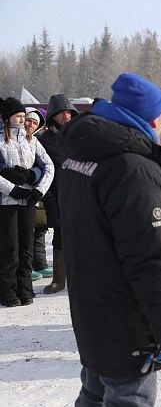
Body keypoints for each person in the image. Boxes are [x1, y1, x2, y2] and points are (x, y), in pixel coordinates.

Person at [57, 73, 161, 405]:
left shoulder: (83, 153)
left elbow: (104, 225)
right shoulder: (133, 168)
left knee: (94, 391)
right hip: (128, 320)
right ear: (151, 117)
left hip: (94, 311)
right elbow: (150, 260)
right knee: (127, 397)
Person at [0, 97, 54, 307]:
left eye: (24, 116)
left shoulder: (31, 138)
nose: (24, 120)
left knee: (26, 248)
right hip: (7, 201)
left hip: (29, 201)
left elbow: (49, 166)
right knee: (10, 248)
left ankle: (25, 290)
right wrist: (12, 189)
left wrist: (38, 189)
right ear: (8, 117)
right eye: (19, 116)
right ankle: (7, 290)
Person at [39, 94, 78, 294]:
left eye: (69, 112)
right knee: (61, 236)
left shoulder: (79, 136)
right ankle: (59, 279)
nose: (66, 116)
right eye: (62, 112)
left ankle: (81, 276)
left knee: (84, 235)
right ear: (53, 115)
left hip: (81, 193)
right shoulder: (44, 140)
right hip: (56, 194)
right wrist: (49, 198)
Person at [23, 107, 53, 281]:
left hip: (37, 189)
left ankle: (40, 263)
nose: (31, 124)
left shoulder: (36, 141)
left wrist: (34, 174)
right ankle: (28, 265)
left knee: (39, 228)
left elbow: (46, 165)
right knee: (26, 231)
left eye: (35, 122)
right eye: (29, 120)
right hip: (16, 190)